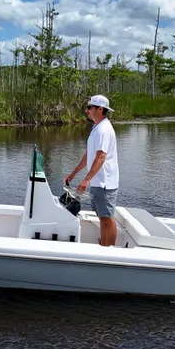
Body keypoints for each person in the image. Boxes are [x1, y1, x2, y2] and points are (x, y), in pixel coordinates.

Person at [64, 95, 119, 246]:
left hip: (105, 183)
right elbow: (90, 154)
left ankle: (109, 250)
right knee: (102, 217)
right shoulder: (97, 128)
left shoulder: (104, 130)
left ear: (100, 109)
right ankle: (104, 245)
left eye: (89, 107)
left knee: (107, 218)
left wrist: (86, 180)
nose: (86, 110)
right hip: (97, 182)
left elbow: (101, 157)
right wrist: (74, 173)